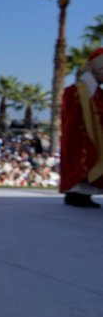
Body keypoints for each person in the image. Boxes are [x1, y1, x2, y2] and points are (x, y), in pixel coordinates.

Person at [60, 47, 103, 208]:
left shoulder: (97, 92)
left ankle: (85, 195)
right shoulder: (76, 91)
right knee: (80, 161)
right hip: (79, 135)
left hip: (93, 135)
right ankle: (75, 194)